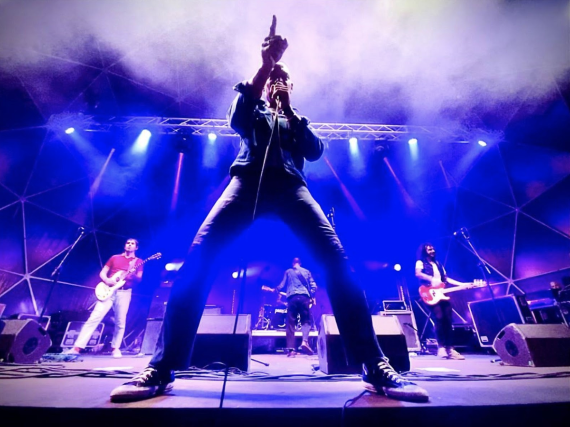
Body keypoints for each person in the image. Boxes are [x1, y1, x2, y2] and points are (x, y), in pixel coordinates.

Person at [109, 16, 429, 403]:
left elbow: (315, 151)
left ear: (292, 86)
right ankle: (162, 368)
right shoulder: (254, 110)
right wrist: (265, 66)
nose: (277, 80)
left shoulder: (296, 120)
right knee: (198, 261)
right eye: (274, 76)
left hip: (292, 187)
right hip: (246, 183)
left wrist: (290, 111)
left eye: (282, 77)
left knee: (338, 264)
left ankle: (373, 365)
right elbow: (236, 117)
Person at [66, 238, 143, 358]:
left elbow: (139, 278)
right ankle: (77, 348)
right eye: (128, 243)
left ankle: (115, 348)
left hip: (124, 292)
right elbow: (103, 273)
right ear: (124, 245)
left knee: (120, 321)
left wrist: (132, 274)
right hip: (108, 290)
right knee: (94, 317)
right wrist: (107, 280)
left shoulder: (138, 261)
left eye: (132, 244)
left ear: (136, 247)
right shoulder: (115, 258)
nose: (129, 245)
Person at [415, 243, 470, 360]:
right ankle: (441, 347)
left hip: (442, 293)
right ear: (424, 251)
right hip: (429, 292)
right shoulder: (420, 262)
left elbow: (446, 279)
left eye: (433, 249)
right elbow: (418, 274)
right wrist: (431, 279)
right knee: (439, 318)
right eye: (429, 249)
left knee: (448, 320)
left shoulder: (439, 264)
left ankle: (450, 348)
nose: (432, 251)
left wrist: (462, 284)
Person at [274, 257, 316, 356]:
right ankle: (304, 341)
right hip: (304, 297)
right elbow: (314, 286)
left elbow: (281, 285)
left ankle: (291, 349)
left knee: (291, 323)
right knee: (306, 321)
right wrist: (312, 296)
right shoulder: (306, 271)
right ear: (300, 263)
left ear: (293, 263)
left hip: (292, 297)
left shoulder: (288, 272)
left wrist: (275, 290)